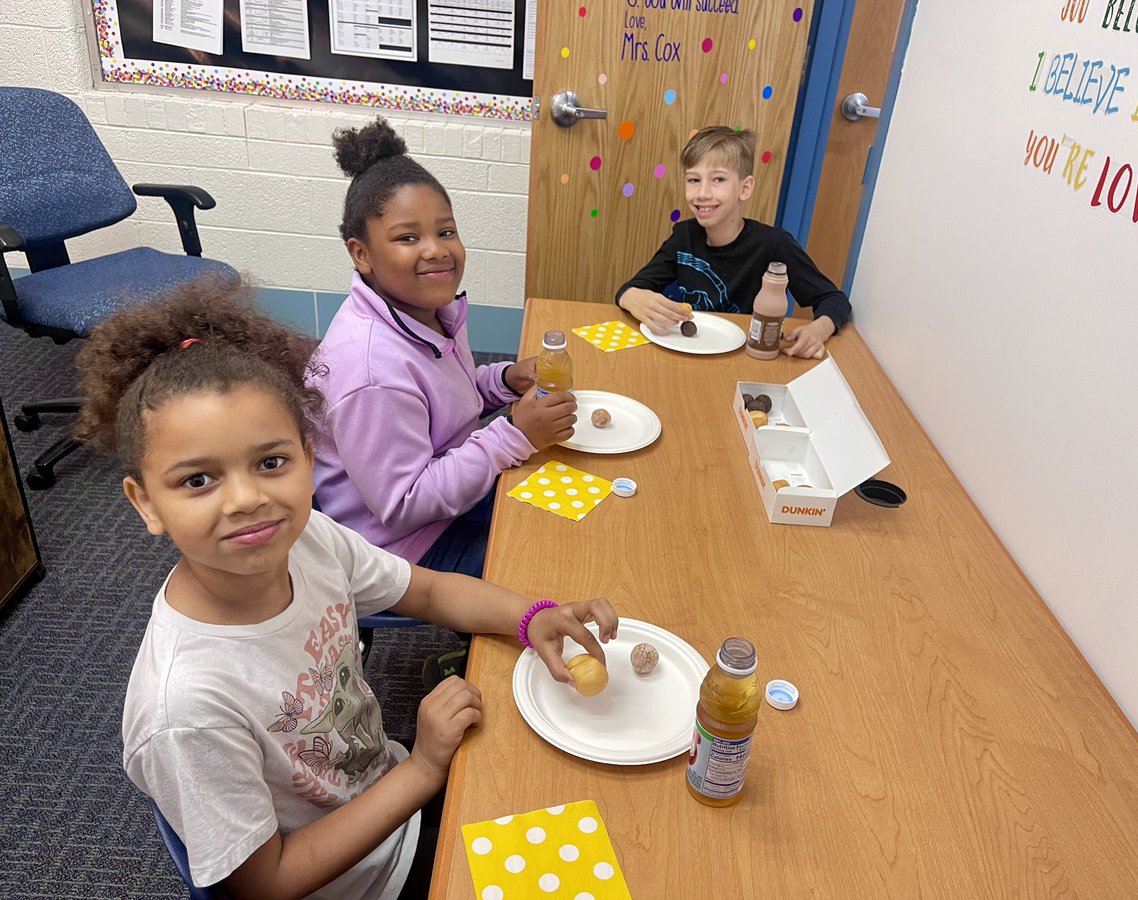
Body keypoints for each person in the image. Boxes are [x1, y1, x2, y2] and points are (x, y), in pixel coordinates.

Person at [74, 278, 617, 899]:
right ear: (145, 503)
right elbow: (265, 884)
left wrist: (531, 616)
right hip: (363, 877)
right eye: (198, 480)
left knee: (566, 777)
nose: (248, 499)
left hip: (386, 789)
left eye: (271, 462)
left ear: (310, 459)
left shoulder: (308, 541)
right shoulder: (188, 711)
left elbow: (431, 592)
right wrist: (421, 769)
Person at [309, 117, 576, 579]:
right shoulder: (372, 369)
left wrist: (503, 380)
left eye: (446, 231)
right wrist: (512, 432)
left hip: (445, 489)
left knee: (567, 491)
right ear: (362, 254)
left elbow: (440, 401)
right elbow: (403, 504)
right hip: (401, 545)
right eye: (407, 237)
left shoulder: (426, 310)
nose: (435, 250)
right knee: (543, 560)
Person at [615, 125, 852, 359]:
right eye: (694, 180)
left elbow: (834, 300)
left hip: (745, 357)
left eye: (718, 179)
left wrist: (818, 330)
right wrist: (632, 297)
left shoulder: (773, 244)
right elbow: (632, 288)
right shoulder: (683, 236)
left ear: (745, 188)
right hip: (684, 352)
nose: (702, 193)